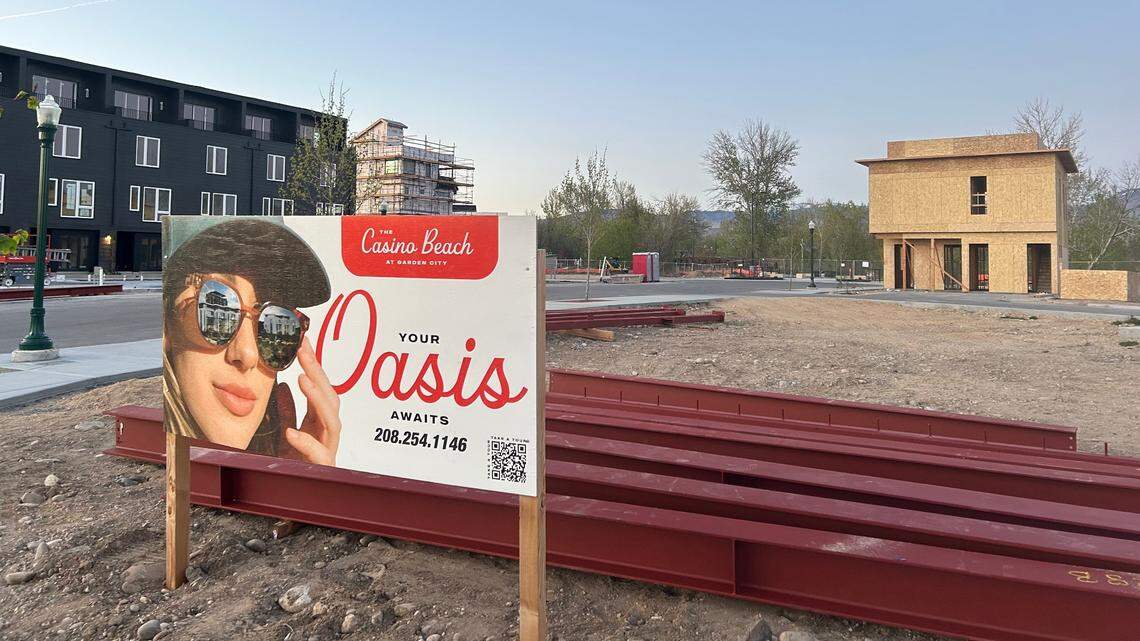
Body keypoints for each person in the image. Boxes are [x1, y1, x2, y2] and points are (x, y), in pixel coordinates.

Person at [162, 218, 342, 465]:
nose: (248, 355)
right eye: (220, 309)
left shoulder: (287, 460)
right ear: (166, 324)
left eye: (276, 324)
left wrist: (293, 487)